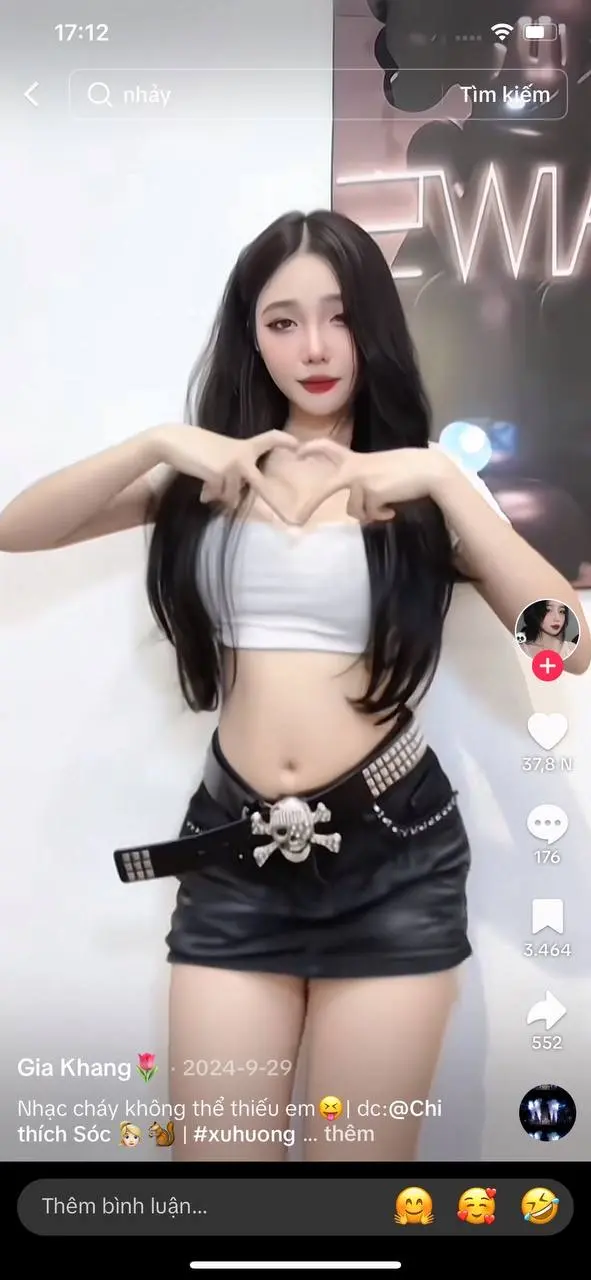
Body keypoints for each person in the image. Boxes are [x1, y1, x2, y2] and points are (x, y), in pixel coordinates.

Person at [1, 208, 589, 1165]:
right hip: (236, 855)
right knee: (218, 1181)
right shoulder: (208, 481)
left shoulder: (423, 484)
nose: (313, 348)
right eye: (282, 322)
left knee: (353, 1188)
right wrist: (161, 443)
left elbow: (565, 640)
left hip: (393, 859)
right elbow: (16, 528)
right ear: (252, 336)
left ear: (374, 326)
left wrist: (441, 481)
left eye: (340, 316)